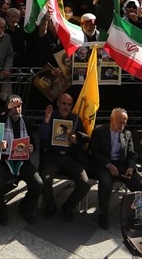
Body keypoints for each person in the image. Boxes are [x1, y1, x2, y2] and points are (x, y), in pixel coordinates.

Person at [0, 94, 44, 225]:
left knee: (38, 183)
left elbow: (33, 142)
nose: (17, 110)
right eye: (13, 107)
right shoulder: (1, 119)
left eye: (19, 106)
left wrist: (31, 147)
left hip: (22, 162)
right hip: (3, 161)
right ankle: (1, 212)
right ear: (8, 108)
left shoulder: (26, 121)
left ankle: (26, 208)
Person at [37, 93, 92, 221]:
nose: (66, 107)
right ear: (58, 103)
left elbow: (85, 139)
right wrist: (46, 118)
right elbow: (42, 136)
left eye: (69, 104)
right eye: (63, 103)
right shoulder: (51, 116)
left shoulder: (75, 119)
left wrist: (76, 139)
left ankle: (68, 207)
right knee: (44, 179)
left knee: (85, 183)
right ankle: (50, 206)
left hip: (70, 157)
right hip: (52, 156)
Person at [90, 107, 142, 229]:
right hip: (104, 164)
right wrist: (108, 165)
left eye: (125, 122)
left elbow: (131, 153)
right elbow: (94, 152)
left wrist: (131, 167)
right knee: (105, 184)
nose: (122, 125)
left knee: (140, 185)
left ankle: (135, 214)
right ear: (111, 120)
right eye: (120, 122)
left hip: (121, 164)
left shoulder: (127, 134)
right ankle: (103, 214)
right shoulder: (100, 131)